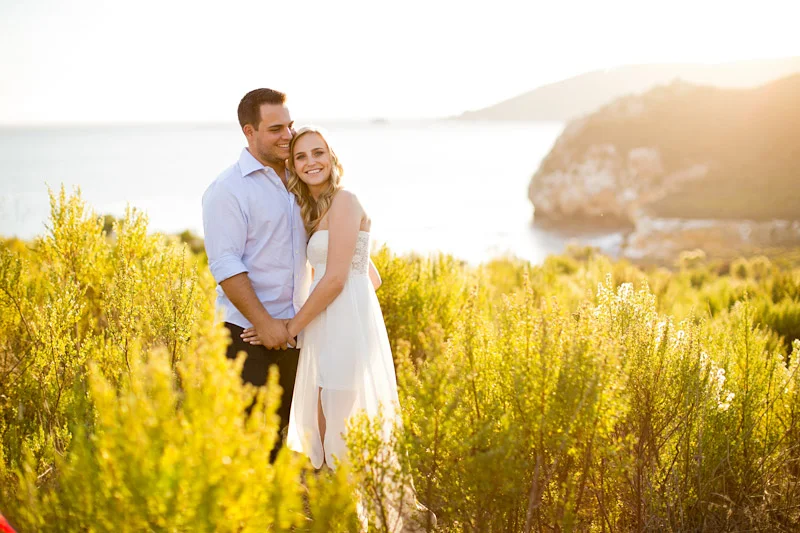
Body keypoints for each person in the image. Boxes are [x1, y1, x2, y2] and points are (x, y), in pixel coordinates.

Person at [241, 127, 435, 531]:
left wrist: (291, 327)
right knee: (324, 424)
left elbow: (334, 280)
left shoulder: (346, 201)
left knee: (339, 428)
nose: (311, 161)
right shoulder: (313, 210)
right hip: (330, 324)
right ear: (292, 165)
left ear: (332, 158)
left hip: (341, 327)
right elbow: (371, 277)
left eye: (319, 153)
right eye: (301, 157)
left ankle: (361, 519)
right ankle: (346, 516)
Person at [202, 89, 310, 462]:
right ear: (249, 132)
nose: (288, 135)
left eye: (290, 126)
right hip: (247, 333)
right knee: (255, 445)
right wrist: (264, 324)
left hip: (300, 329)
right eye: (275, 128)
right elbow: (225, 264)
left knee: (301, 438)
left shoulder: (302, 179)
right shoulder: (227, 190)